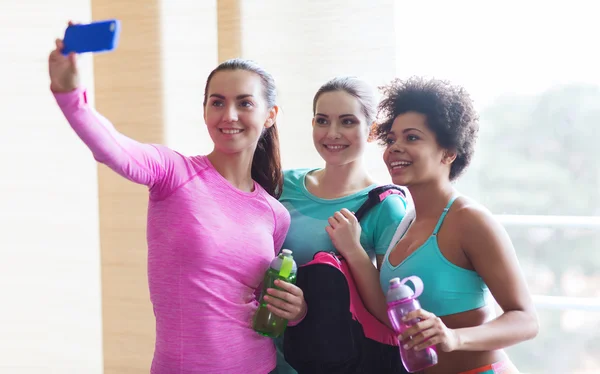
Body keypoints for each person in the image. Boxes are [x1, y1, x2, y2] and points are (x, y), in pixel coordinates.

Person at [48, 26, 307, 373]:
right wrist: (70, 94)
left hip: (260, 365)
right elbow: (114, 150)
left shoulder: (275, 214)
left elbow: (259, 301)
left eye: (244, 103)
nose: (229, 115)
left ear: (270, 115)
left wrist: (296, 310)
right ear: (205, 111)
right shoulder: (174, 173)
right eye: (218, 102)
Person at [327, 77, 539, 374]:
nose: (394, 148)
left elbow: (526, 320)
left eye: (411, 138)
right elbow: (390, 315)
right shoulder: (404, 221)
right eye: (391, 140)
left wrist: (454, 337)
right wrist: (353, 250)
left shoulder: (470, 220)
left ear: (449, 152)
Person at [275, 76, 408, 373]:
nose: (332, 133)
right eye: (322, 121)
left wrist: (353, 251)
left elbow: (392, 316)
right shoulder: (282, 185)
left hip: (332, 362)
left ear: (372, 131)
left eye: (347, 122)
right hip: (264, 358)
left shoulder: (386, 206)